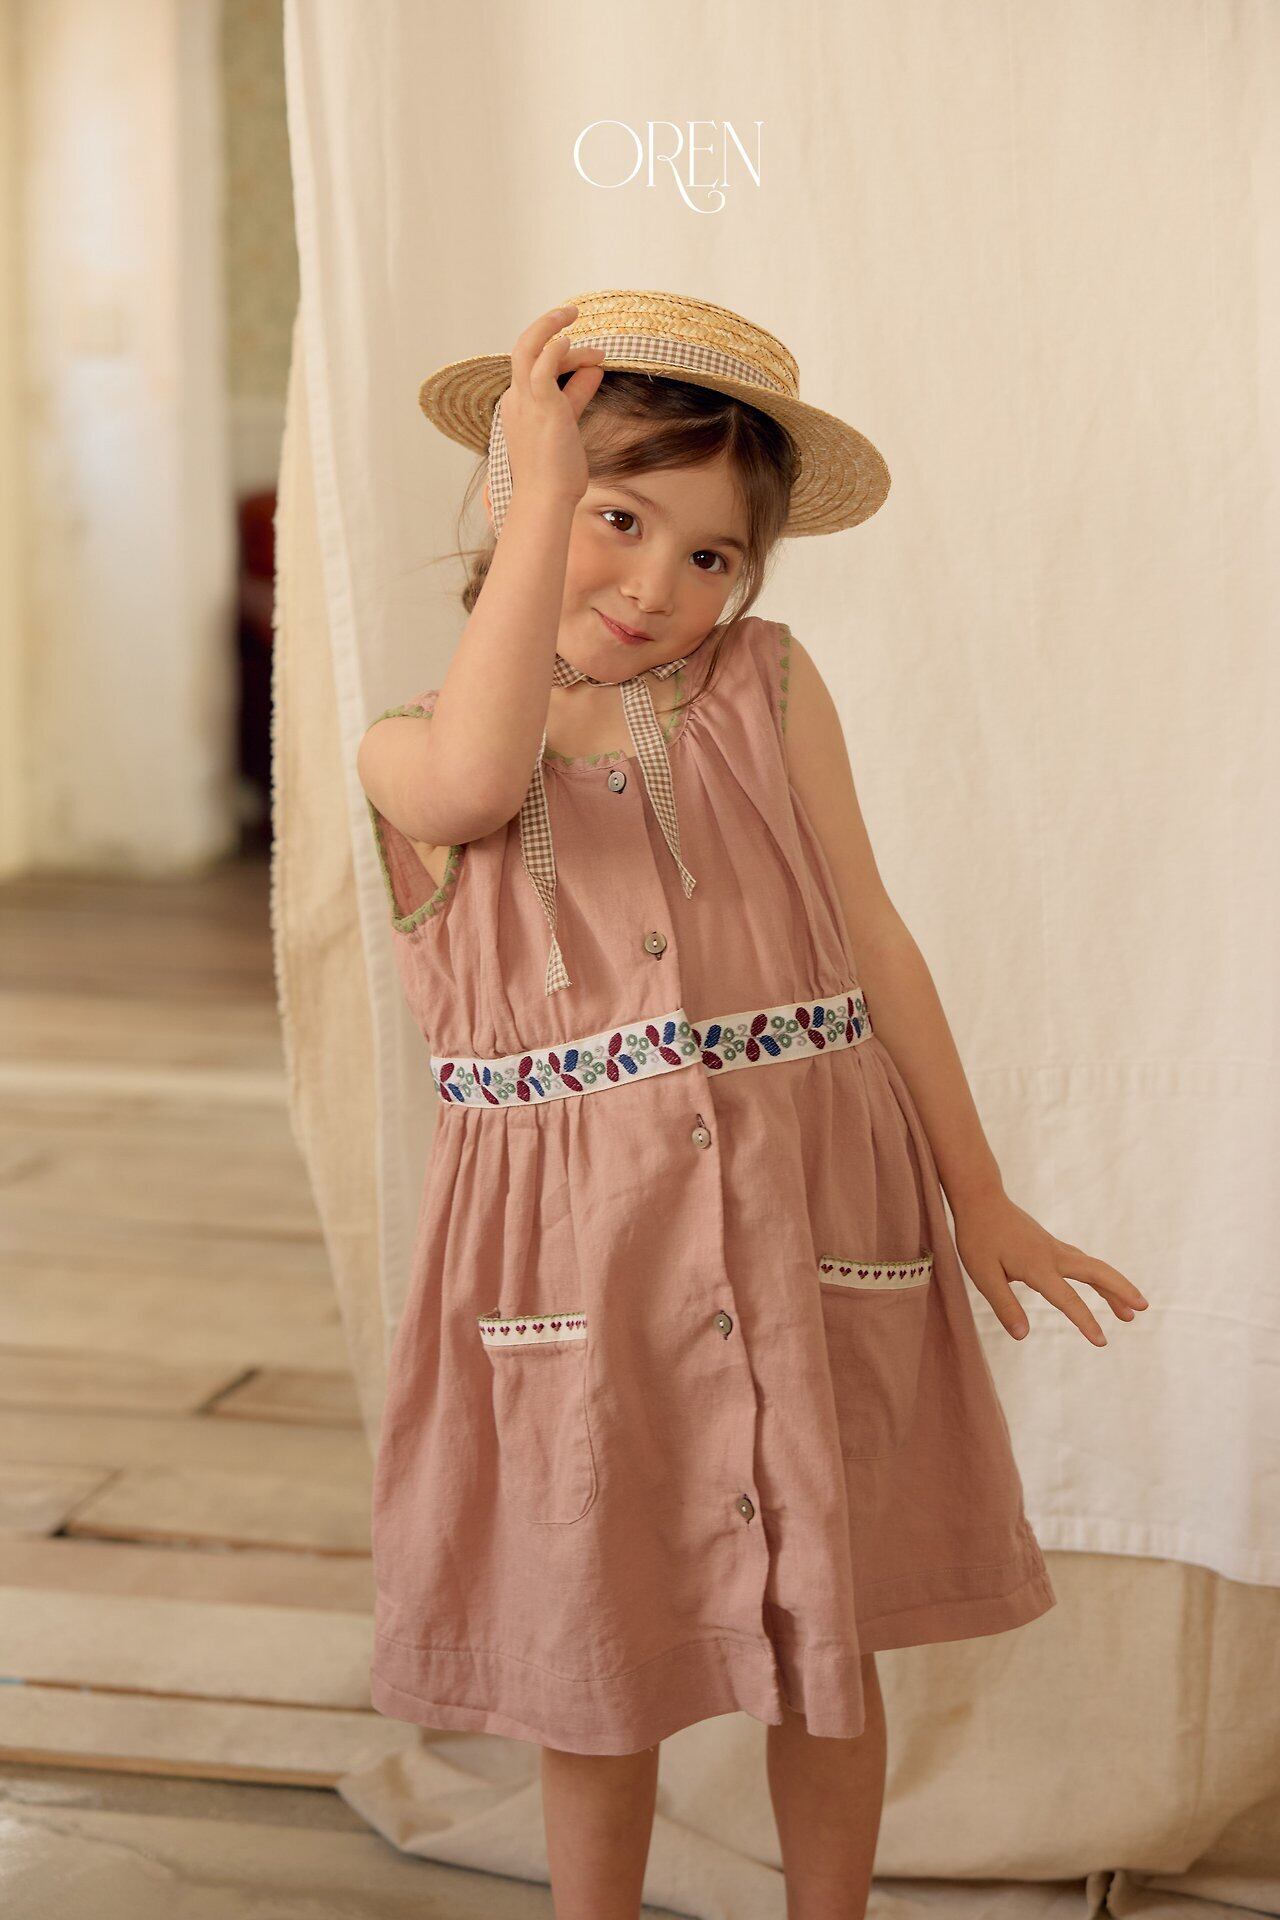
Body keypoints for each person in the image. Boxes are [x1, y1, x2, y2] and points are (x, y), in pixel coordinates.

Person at [355, 290, 1149, 1920]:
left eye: (712, 554)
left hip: (808, 1217)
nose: (658, 585)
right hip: (582, 1259)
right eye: (617, 519)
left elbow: (872, 933)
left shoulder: (767, 685)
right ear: (520, 496)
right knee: (598, 1647)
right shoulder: (409, 748)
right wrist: (542, 487)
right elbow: (480, 787)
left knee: (827, 1636)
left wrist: (979, 1194)